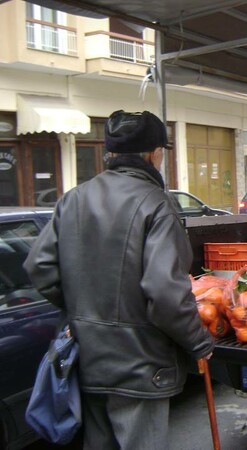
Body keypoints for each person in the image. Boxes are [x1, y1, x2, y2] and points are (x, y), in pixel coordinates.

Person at [24, 110, 215, 450]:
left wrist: (83, 309)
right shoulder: (156, 204)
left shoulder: (73, 199)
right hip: (141, 365)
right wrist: (199, 342)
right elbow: (165, 292)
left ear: (109, 153)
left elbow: (39, 267)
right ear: (154, 153)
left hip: (88, 357)